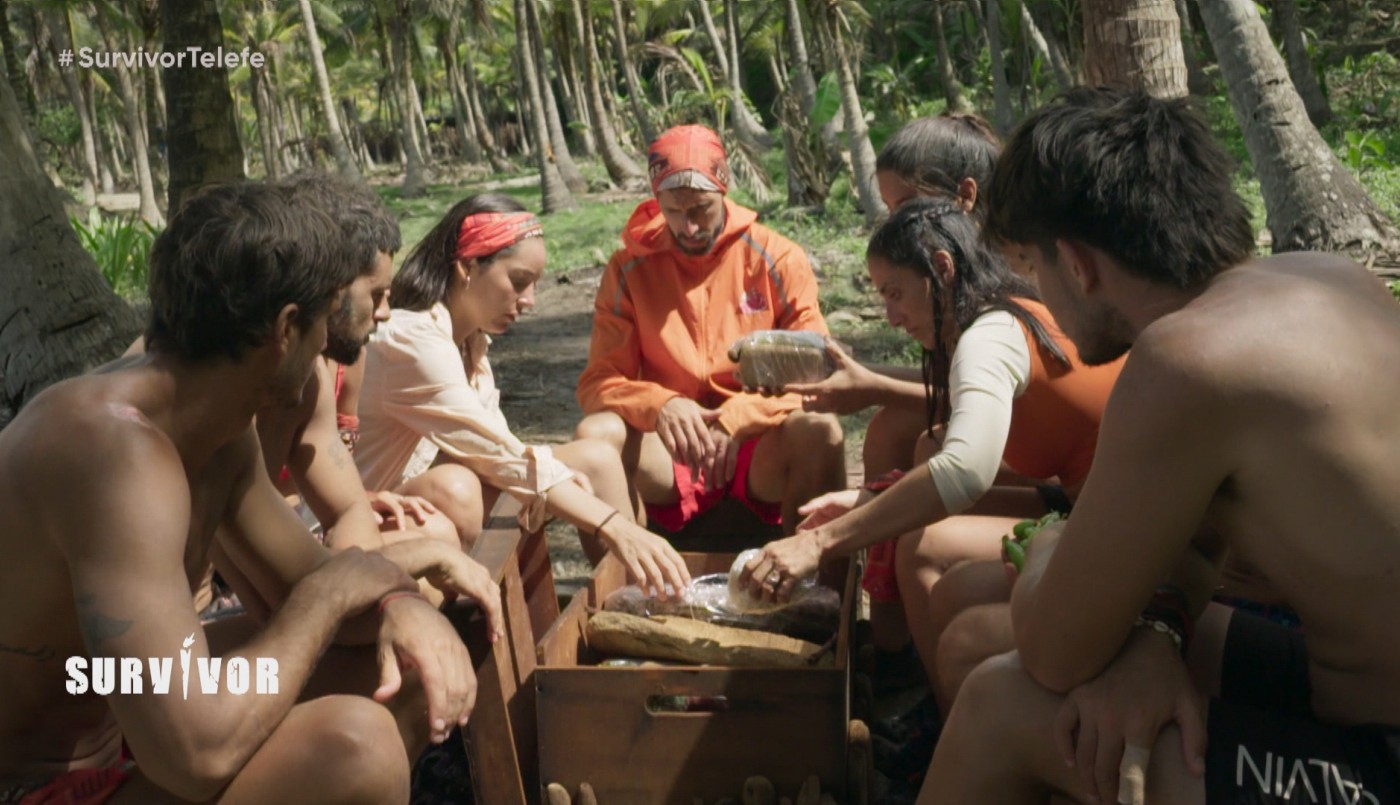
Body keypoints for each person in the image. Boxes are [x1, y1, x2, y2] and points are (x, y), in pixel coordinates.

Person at [923, 88, 1400, 805]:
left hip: (1379, 756)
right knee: (995, 635)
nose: (1040, 293)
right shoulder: (1328, 278)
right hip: (1344, 683)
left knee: (1002, 704)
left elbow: (1054, 649)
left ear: (1078, 264)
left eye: (1036, 269)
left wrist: (1050, 541)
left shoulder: (1186, 360)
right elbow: (1202, 543)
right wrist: (1156, 637)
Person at [0, 182, 503, 803]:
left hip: (128, 720)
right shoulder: (115, 457)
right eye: (324, 321)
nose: (329, 346)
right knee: (355, 750)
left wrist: (397, 598)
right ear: (288, 329)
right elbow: (198, 754)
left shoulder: (216, 429)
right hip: (40, 786)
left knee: (402, 662)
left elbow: (306, 577)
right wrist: (339, 588)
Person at [740, 197, 1122, 710]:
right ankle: (933, 696)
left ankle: (945, 726)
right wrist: (867, 501)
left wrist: (820, 544)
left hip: (1116, 523)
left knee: (923, 546)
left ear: (942, 269)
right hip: (1084, 503)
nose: (892, 317)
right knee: (921, 485)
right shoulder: (1016, 309)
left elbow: (965, 470)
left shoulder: (988, 339)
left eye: (896, 294)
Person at [354, 193, 692, 598]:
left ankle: (640, 599)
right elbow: (497, 455)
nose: (529, 301)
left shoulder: (471, 346)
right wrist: (612, 524)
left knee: (595, 460)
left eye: (533, 285)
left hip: (431, 494)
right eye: (517, 282)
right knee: (458, 486)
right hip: (373, 517)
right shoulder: (413, 341)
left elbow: (501, 454)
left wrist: (569, 488)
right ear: (467, 266)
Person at [792, 113, 1014, 655]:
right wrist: (869, 386)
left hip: (1054, 477)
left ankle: (902, 658)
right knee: (904, 436)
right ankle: (892, 648)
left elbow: (972, 441)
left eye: (904, 206)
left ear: (964, 196)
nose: (894, 220)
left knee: (920, 462)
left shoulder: (1001, 291)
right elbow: (965, 389)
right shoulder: (963, 287)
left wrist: (847, 523)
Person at [574, 124, 846, 537]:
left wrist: (738, 417)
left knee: (822, 431)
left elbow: (816, 369)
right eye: (673, 212)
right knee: (595, 435)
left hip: (758, 444)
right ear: (656, 201)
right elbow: (599, 383)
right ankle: (622, 587)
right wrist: (661, 404)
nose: (688, 227)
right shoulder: (628, 269)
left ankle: (817, 586)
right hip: (671, 447)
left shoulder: (777, 257)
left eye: (701, 208)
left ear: (724, 189)